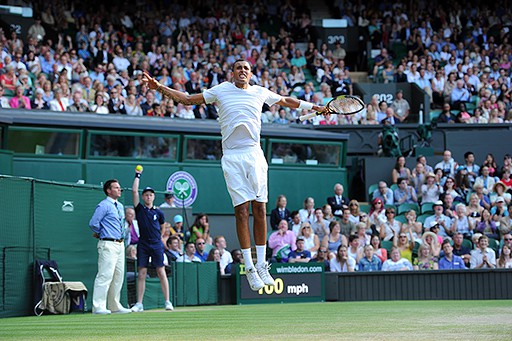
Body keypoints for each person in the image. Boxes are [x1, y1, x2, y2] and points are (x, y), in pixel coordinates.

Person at [143, 60, 325, 291]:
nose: (242, 71)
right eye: (238, 68)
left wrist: (315, 107)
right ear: (232, 73)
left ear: (250, 74)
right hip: (231, 157)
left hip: (254, 155)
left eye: (246, 68)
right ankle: (249, 267)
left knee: (260, 208)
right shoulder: (220, 91)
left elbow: (287, 101)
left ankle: (261, 264)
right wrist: (158, 87)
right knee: (241, 211)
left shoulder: (260, 92)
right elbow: (187, 99)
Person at [130, 167, 173, 312]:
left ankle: (167, 301)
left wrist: (160, 238)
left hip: (156, 244)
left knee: (161, 271)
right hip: (143, 244)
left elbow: (162, 226)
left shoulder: (159, 212)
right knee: (142, 273)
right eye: (146, 195)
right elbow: (134, 191)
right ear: (143, 197)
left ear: (154, 197)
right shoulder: (140, 209)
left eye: (150, 195)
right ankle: (139, 304)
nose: (148, 197)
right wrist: (138, 175)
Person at [88, 179, 130, 314]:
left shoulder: (120, 206)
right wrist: (102, 233)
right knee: (105, 275)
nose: (120, 190)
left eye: (119, 188)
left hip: (120, 244)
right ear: (108, 190)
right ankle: (98, 306)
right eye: (116, 188)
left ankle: (114, 306)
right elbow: (94, 223)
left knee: (118, 276)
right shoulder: (103, 205)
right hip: (108, 244)